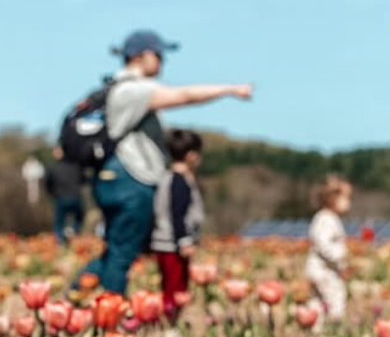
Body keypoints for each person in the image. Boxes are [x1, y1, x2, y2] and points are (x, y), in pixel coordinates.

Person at [79, 30, 253, 294]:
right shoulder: (132, 90)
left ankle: (75, 297)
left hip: (118, 178)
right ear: (139, 56)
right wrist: (228, 90)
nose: (162, 61)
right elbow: (184, 95)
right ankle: (109, 313)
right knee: (122, 252)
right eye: (158, 54)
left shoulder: (119, 89)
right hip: (130, 178)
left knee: (120, 247)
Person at [150, 129, 204, 321]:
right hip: (173, 243)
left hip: (163, 241)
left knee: (169, 285)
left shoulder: (166, 178)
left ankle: (169, 319)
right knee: (176, 287)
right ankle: (170, 321)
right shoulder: (179, 182)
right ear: (191, 155)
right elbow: (177, 214)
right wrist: (184, 240)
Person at [306, 174, 353, 323]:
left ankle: (313, 326)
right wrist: (340, 256)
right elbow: (323, 243)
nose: (349, 202)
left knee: (317, 301)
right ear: (332, 199)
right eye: (346, 198)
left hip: (319, 269)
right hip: (324, 270)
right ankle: (335, 325)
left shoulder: (325, 218)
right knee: (336, 296)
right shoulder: (326, 218)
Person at [44, 146, 85, 244]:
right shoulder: (76, 165)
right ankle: (74, 235)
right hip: (75, 196)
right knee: (77, 219)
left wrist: (52, 193)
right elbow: (83, 179)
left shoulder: (52, 167)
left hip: (61, 197)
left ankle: (61, 240)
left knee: (60, 222)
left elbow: (47, 183)